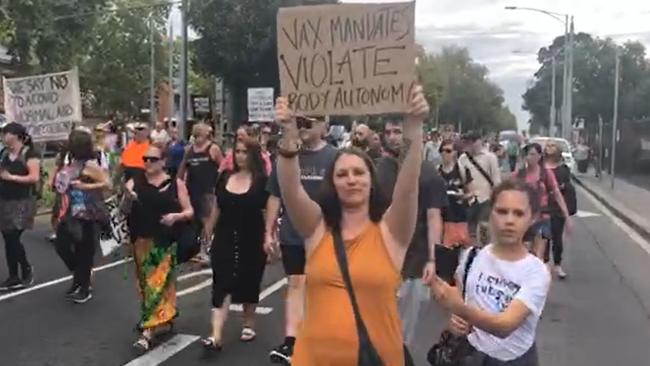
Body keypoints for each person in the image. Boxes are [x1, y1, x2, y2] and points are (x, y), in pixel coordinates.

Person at [272, 86, 428, 365]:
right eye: (342, 174)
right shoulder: (316, 229)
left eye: (359, 172)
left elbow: (408, 188)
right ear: (332, 184)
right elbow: (291, 189)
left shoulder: (391, 232)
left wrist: (414, 125)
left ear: (372, 181)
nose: (351, 179)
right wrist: (288, 134)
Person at [430, 180, 552, 365]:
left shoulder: (536, 272)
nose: (509, 220)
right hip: (470, 356)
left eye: (518, 214)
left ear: (532, 218)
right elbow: (458, 302)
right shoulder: (471, 257)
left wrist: (459, 308)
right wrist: (455, 321)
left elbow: (504, 326)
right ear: (491, 213)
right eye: (502, 211)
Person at [265, 114, 339, 364]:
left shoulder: (335, 158)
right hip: (292, 235)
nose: (305, 126)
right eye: (301, 120)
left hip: (326, 236)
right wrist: (269, 231)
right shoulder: (286, 157)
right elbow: (275, 195)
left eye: (312, 121)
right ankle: (292, 342)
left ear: (325, 128)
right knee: (296, 284)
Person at [376, 119, 447, 347]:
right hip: (379, 259)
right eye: (389, 132)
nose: (393, 136)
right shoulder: (378, 169)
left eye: (398, 131)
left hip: (414, 263)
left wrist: (433, 259)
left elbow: (434, 217)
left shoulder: (427, 173)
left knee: (401, 334)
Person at [200, 138, 269, 350]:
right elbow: (217, 206)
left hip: (252, 235)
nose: (240, 156)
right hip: (225, 235)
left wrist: (270, 236)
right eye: (237, 152)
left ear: (253, 155)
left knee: (249, 278)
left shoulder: (261, 181)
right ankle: (216, 335)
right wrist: (208, 229)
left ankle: (248, 321)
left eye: (244, 152)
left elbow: (267, 211)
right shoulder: (224, 178)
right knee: (221, 281)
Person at [124, 145, 194, 351]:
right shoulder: (135, 181)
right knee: (145, 285)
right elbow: (122, 209)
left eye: (153, 159)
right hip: (140, 240)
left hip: (164, 241)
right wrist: (127, 198)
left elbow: (189, 211)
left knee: (156, 283)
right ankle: (163, 315)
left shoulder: (175, 184)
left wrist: (176, 217)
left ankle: (148, 333)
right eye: (145, 159)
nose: (147, 163)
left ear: (163, 162)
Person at [53, 129, 110, 303]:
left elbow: (108, 184)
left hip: (89, 213)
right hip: (69, 211)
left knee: (85, 250)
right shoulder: (70, 162)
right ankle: (80, 275)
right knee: (62, 245)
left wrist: (86, 187)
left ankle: (83, 286)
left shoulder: (91, 165)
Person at [514, 143, 571, 259]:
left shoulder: (546, 174)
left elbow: (557, 195)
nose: (530, 158)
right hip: (525, 219)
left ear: (539, 156)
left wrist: (567, 217)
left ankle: (543, 272)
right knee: (524, 254)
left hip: (542, 218)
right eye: (527, 155)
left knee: (539, 255)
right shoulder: (519, 175)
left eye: (533, 154)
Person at [0, 123, 39, 290]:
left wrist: (11, 177)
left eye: (4, 133)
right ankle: (15, 274)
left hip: (23, 201)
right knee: (8, 238)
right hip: (4, 200)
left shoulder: (29, 153)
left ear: (15, 135)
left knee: (13, 236)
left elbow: (34, 177)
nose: (2, 136)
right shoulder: (3, 153)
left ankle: (24, 270)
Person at [177, 122, 223, 263]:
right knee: (193, 221)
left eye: (200, 132)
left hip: (208, 190)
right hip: (192, 190)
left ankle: (206, 250)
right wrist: (178, 183)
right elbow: (182, 169)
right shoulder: (189, 150)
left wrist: (220, 185)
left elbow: (223, 167)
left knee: (207, 221)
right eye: (195, 133)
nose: (197, 135)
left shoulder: (213, 149)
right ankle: (195, 249)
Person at [437, 139, 475, 282]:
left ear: (454, 153)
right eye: (443, 150)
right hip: (442, 216)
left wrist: (462, 196)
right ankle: (445, 279)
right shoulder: (437, 171)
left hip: (459, 216)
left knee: (460, 248)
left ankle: (458, 278)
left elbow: (472, 192)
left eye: (448, 151)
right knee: (444, 249)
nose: (445, 154)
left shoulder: (462, 171)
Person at [458, 131, 501, 247]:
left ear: (479, 141)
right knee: (470, 229)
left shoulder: (490, 157)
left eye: (473, 141)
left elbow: (496, 179)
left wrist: (496, 199)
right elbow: (461, 178)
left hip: (486, 198)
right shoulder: (463, 158)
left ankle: (483, 250)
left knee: (484, 229)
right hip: (470, 199)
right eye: (468, 142)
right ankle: (472, 252)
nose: (471, 144)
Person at [544, 142, 572, 278]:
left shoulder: (563, 169)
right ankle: (544, 264)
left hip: (557, 208)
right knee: (543, 238)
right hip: (543, 207)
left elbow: (566, 188)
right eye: (548, 146)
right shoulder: (540, 168)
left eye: (553, 146)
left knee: (557, 237)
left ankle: (557, 264)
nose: (549, 147)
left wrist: (567, 215)